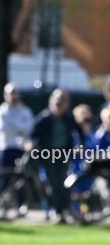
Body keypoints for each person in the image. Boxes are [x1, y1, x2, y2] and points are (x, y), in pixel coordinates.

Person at [29, 89, 82, 223]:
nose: (59, 107)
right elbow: (33, 134)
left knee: (62, 183)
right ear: (51, 104)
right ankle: (57, 211)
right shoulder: (44, 118)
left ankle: (60, 211)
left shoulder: (69, 118)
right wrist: (31, 144)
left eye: (61, 104)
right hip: (48, 154)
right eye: (56, 104)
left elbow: (80, 132)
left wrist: (80, 145)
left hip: (64, 154)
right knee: (54, 184)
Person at [1, 84, 34, 203]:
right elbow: (4, 128)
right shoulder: (3, 111)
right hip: (6, 148)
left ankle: (19, 205)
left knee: (21, 179)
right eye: (11, 94)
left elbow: (29, 128)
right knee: (4, 179)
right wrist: (20, 126)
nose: (14, 97)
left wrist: (14, 125)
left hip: (21, 149)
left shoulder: (25, 110)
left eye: (16, 94)